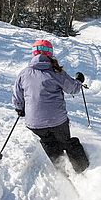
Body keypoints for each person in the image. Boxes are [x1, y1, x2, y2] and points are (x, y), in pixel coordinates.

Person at [12, 39, 89, 174]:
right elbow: (73, 89)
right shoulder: (55, 72)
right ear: (50, 54)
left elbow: (17, 95)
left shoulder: (24, 73)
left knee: (48, 141)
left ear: (33, 54)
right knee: (67, 141)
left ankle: (61, 168)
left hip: (34, 123)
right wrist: (79, 81)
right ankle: (83, 169)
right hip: (57, 120)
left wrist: (20, 108)